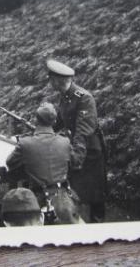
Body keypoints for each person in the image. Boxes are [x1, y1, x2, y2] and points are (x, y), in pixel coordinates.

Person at [46, 59, 107, 223]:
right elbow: (60, 121)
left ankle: (98, 229)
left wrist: (77, 158)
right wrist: (44, 131)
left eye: (51, 79)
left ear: (59, 80)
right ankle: (75, 222)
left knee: (95, 195)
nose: (50, 82)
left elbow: (83, 131)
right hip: (77, 149)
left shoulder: (84, 98)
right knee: (76, 192)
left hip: (90, 151)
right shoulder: (65, 96)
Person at [6, 103, 82, 224]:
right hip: (64, 198)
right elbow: (75, 163)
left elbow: (10, 162)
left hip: (37, 198)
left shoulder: (25, 143)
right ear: (55, 121)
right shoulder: (65, 141)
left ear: (36, 120)